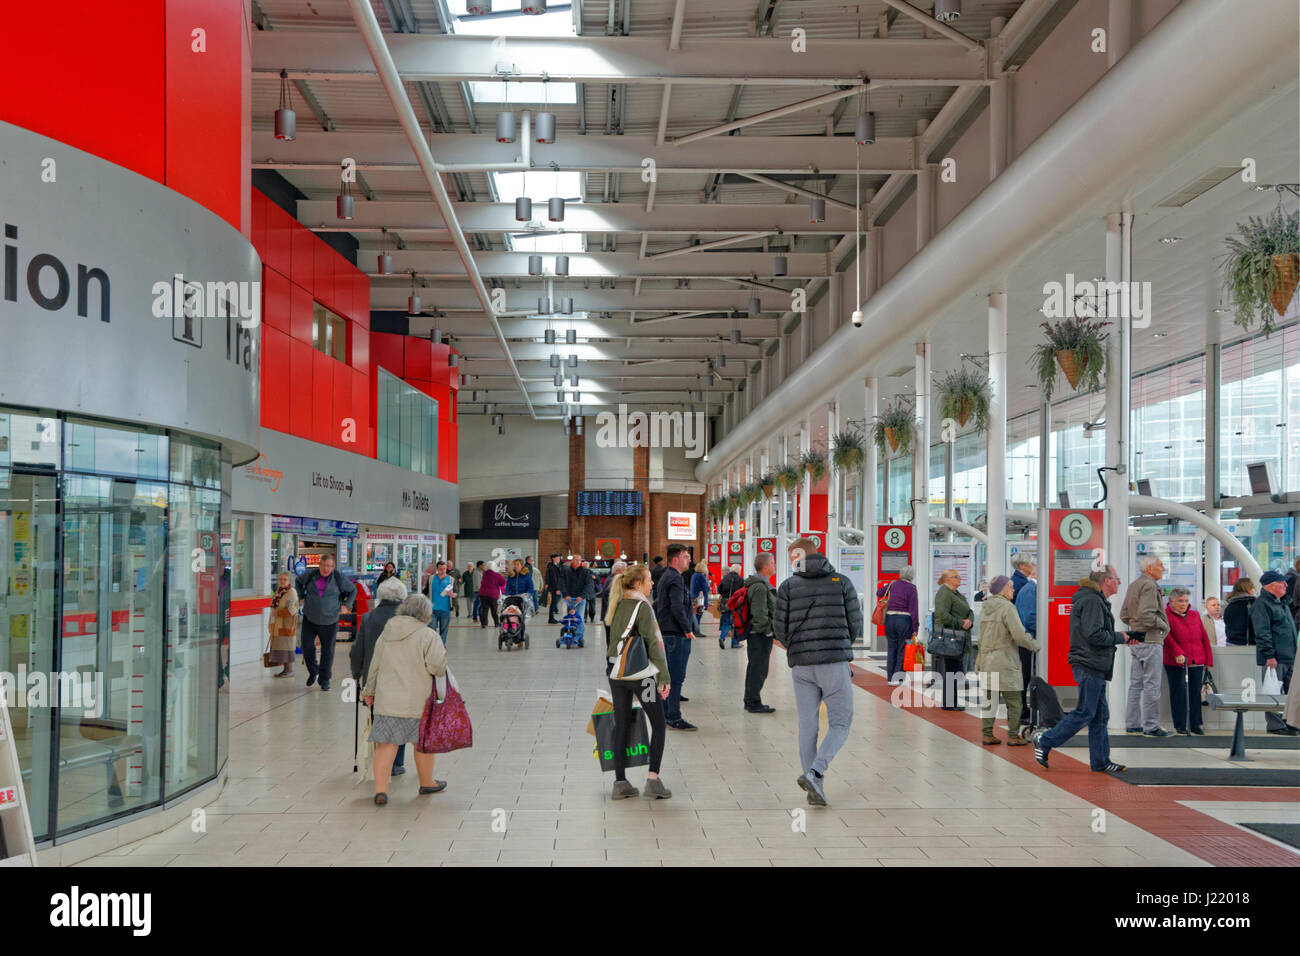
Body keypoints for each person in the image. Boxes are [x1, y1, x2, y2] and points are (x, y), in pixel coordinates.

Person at [774, 537, 861, 807]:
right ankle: (815, 772)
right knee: (841, 722)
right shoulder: (842, 583)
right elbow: (854, 623)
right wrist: (841, 644)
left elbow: (780, 629)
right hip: (833, 662)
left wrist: (796, 646)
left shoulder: (787, 586)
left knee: (808, 725)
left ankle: (815, 784)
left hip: (801, 665)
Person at [1033, 567, 1136, 773]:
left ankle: (1100, 761)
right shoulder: (1092, 601)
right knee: (1085, 712)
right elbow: (1094, 635)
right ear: (1107, 581)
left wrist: (1121, 637)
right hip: (1090, 663)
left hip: (1094, 664)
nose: (1120, 583)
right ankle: (1045, 740)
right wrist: (1120, 637)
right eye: (1117, 579)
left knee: (1100, 716)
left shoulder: (1094, 599)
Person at [361, 593, 450, 805]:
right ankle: (427, 783)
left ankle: (381, 791)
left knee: (386, 745)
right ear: (425, 613)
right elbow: (437, 667)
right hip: (418, 702)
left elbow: (374, 666)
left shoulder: (386, 635)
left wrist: (368, 692)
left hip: (387, 701)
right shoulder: (429, 636)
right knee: (422, 744)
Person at [604, 564, 672, 800]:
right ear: (637, 584)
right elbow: (653, 643)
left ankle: (620, 782)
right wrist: (664, 676)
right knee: (659, 723)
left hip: (616, 674)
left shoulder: (618, 603)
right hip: (641, 678)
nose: (652, 583)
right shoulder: (643, 606)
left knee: (621, 725)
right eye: (649, 579)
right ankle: (653, 780)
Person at [351, 577, 408, 774]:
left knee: (378, 718)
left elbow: (357, 650)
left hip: (374, 680)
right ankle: (396, 763)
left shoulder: (368, 618)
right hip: (403, 680)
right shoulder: (409, 621)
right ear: (402, 597)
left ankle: (383, 760)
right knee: (400, 719)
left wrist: (356, 674)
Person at [976, 575, 1039, 745]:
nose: (1013, 590)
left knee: (990, 699)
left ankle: (987, 734)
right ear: (1003, 589)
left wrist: (979, 660)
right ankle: (1012, 736)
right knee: (1014, 700)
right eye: (1010, 587)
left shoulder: (986, 607)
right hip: (1004, 659)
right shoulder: (1007, 608)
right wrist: (1034, 645)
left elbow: (981, 636)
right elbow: (1019, 635)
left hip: (987, 659)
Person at [1120, 554, 1172, 737]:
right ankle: (1151, 726)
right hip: (1151, 640)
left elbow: (1124, 614)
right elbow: (1146, 614)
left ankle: (1132, 723)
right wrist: (1163, 625)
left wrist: (1135, 626)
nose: (1163, 568)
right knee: (1152, 685)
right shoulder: (1149, 585)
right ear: (1150, 568)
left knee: (1136, 684)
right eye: (1161, 565)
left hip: (1137, 639)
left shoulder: (1134, 584)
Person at [294, 554, 355, 693]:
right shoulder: (311, 574)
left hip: (330, 620)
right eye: (324, 565)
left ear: (333, 567)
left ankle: (325, 679)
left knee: (328, 651)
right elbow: (298, 581)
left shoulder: (338, 578)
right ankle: (313, 671)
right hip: (310, 617)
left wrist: (346, 605)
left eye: (329, 566)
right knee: (307, 646)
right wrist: (301, 596)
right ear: (319, 565)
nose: (326, 568)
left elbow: (353, 590)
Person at [654, 544, 697, 731]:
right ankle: (673, 716)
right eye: (686, 557)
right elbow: (677, 606)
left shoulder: (668, 576)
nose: (689, 560)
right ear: (676, 558)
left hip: (668, 632)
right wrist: (688, 629)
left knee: (668, 676)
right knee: (675, 677)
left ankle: (665, 713)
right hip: (675, 635)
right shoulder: (676, 579)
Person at [1251, 570, 1298, 734]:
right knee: (1273, 691)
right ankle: (1275, 725)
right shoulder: (1262, 604)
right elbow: (1262, 632)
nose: (1286, 585)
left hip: (1289, 656)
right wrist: (1269, 655)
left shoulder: (1282, 603)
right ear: (1271, 586)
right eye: (1282, 582)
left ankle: (1290, 722)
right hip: (1275, 658)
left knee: (1291, 692)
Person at [1163, 586, 1212, 736]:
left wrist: (1208, 660)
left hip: (1197, 660)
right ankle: (1180, 724)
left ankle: (1195, 723)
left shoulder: (1195, 615)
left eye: (1186, 601)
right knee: (1179, 693)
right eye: (1180, 601)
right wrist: (1178, 653)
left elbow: (1204, 638)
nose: (1183, 604)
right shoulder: (1165, 616)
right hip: (1176, 661)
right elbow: (1167, 636)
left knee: (1195, 693)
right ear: (1171, 601)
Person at [932, 569, 973, 711]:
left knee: (956, 669)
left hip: (959, 637)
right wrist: (960, 622)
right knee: (952, 670)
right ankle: (949, 702)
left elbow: (969, 611)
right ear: (948, 579)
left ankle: (953, 701)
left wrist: (970, 620)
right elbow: (942, 615)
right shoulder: (944, 593)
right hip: (951, 638)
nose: (960, 579)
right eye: (956, 577)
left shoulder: (956, 594)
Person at [742, 553, 777, 714]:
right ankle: (754, 702)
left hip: (758, 633)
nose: (774, 566)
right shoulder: (760, 586)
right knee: (759, 668)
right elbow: (759, 613)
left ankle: (750, 699)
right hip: (760, 634)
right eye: (772, 563)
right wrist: (768, 630)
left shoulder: (759, 584)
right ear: (765, 566)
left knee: (755, 667)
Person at [877, 566, 919, 685]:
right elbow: (914, 610)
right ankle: (898, 678)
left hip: (890, 620)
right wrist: (916, 627)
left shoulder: (893, 584)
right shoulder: (912, 588)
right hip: (904, 620)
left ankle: (890, 678)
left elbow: (879, 593)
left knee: (891, 648)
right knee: (902, 649)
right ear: (911, 576)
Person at [1012, 556, 1038, 726]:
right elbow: (1029, 618)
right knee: (1024, 676)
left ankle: (1021, 710)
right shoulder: (1029, 589)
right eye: (1032, 563)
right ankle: (1020, 711)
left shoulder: (1025, 586)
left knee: (1024, 676)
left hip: (1024, 639)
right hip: (1026, 640)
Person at [267, 571, 299, 678]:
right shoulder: (279, 591)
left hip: (287, 625)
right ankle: (285, 670)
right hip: (278, 624)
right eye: (280, 579)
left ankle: (289, 670)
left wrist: (277, 613)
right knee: (281, 648)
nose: (282, 581)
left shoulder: (291, 592)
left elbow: (292, 610)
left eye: (285, 579)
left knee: (287, 647)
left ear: (289, 581)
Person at [717, 563, 744, 649]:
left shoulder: (725, 578)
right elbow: (743, 592)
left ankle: (722, 637)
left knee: (726, 622)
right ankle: (735, 643)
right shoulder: (740, 579)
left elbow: (719, 589)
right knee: (736, 623)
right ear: (738, 570)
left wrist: (725, 596)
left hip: (725, 603)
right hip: (735, 603)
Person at [427, 560, 454, 643]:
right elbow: (426, 591)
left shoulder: (451, 579)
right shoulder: (431, 578)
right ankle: (433, 647)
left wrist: (452, 595)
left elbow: (456, 593)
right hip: (433, 609)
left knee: (443, 631)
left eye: (444, 569)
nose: (443, 571)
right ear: (437, 569)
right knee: (432, 630)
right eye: (441, 569)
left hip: (445, 610)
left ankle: (441, 647)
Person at [600, 560, 627, 642]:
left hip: (610, 615)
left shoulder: (612, 579)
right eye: (624, 570)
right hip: (612, 616)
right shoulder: (614, 581)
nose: (626, 572)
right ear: (617, 571)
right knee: (613, 641)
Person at [1223, 578, 1255, 645]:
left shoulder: (1229, 606)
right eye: (1253, 588)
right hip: (1248, 646)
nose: (1254, 591)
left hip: (1231, 644)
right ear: (1247, 589)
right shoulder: (1253, 604)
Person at [477, 560, 506, 629]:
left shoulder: (484, 574)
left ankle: (484, 624)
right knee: (494, 610)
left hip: (483, 594)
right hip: (492, 595)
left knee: (485, 609)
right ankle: (496, 623)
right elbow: (503, 582)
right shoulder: (496, 575)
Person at [689, 560, 711, 634]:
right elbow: (706, 588)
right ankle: (697, 631)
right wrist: (708, 582)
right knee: (699, 615)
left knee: (695, 614)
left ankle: (694, 630)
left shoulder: (694, 575)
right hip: (700, 599)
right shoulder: (701, 576)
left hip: (694, 597)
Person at [545, 553, 565, 624]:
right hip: (555, 588)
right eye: (558, 558)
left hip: (557, 587)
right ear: (553, 558)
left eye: (559, 558)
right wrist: (557, 589)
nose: (559, 559)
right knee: (553, 603)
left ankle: (551, 618)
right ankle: (551, 618)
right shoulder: (552, 567)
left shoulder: (557, 566)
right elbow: (554, 579)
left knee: (554, 603)